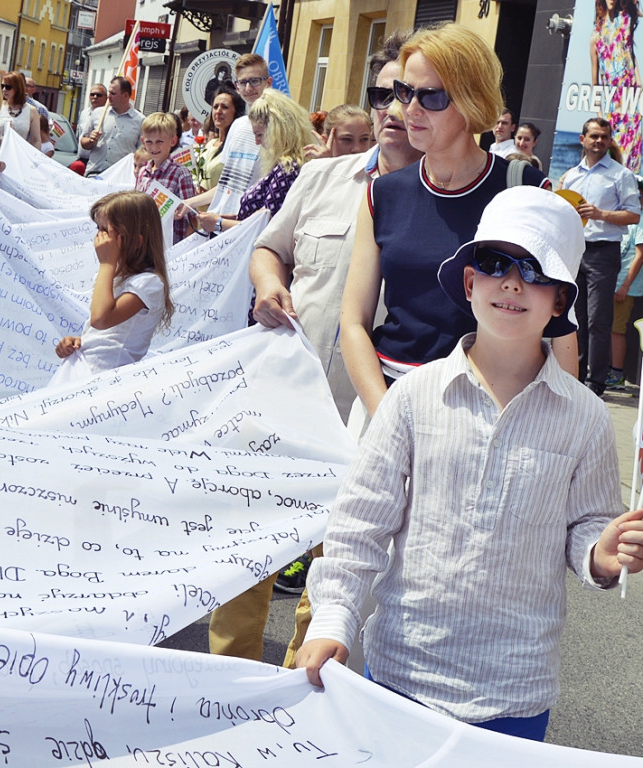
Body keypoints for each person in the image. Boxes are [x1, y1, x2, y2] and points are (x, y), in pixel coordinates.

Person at [297, 185, 643, 742]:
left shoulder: (586, 417)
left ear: (560, 300)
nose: (511, 282)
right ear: (469, 280)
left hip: (514, 691)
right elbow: (360, 523)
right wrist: (334, 618)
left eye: (535, 271)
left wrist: (600, 554)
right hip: (399, 674)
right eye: (494, 261)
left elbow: (584, 526)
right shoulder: (413, 396)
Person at [210, 33, 422, 665]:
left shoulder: (447, 201)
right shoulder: (322, 177)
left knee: (337, 578)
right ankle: (225, 687)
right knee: (249, 554)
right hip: (288, 402)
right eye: (383, 93)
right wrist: (269, 284)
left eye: (411, 95)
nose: (393, 109)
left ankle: (296, 709)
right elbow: (269, 248)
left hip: (370, 419)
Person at [339, 24, 562, 426]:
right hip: (390, 396)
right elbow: (353, 321)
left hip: (494, 409)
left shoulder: (525, 188)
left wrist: (563, 425)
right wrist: (385, 414)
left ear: (472, 102)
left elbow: (561, 325)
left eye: (432, 96)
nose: (410, 108)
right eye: (406, 92)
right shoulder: (383, 194)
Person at [52, 190, 173, 382]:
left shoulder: (149, 284)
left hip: (103, 378)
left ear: (136, 241)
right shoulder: (114, 276)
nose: (99, 238)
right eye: (97, 229)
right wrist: (79, 342)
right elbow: (103, 332)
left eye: (105, 231)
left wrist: (106, 264)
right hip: (83, 368)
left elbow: (101, 319)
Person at [559, 117, 641, 394]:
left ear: (609, 141)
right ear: (583, 139)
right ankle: (576, 377)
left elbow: (633, 214)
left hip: (603, 251)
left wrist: (600, 214)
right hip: (575, 249)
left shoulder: (621, 175)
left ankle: (596, 382)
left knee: (598, 320)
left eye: (604, 137)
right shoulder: (571, 176)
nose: (599, 141)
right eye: (594, 136)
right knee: (576, 318)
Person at [193, 89, 314, 236]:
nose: (257, 142)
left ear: (277, 131)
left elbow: (267, 225)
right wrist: (235, 219)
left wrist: (219, 224)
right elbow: (262, 217)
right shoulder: (286, 165)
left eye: (259, 135)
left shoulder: (288, 169)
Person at [178, 53, 271, 216]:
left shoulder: (278, 128)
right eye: (243, 82)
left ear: (268, 83)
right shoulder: (237, 125)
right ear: (237, 86)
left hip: (247, 226)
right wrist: (190, 202)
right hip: (219, 224)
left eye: (255, 81)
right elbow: (227, 186)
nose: (248, 88)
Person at [592, 0, 642, 171]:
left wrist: (640, 85)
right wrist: (599, 113)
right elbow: (595, 82)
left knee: (633, 150)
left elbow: (631, 54)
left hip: (631, 99)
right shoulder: (596, 36)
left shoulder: (625, 20)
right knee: (616, 152)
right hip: (612, 104)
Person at [135, 111, 195, 244]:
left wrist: (185, 250)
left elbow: (191, 216)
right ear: (143, 142)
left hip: (171, 244)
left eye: (159, 141)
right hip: (145, 243)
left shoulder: (181, 173)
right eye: (149, 142)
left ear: (173, 141)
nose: (154, 147)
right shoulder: (142, 172)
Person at [80, 76, 144, 177]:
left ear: (126, 96)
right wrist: (90, 140)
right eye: (109, 92)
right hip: (94, 174)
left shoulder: (140, 120)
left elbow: (142, 153)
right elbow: (83, 142)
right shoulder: (98, 113)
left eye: (113, 93)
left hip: (119, 178)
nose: (108, 96)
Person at [609, 220, 643, 389]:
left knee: (617, 329)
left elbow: (640, 254)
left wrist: (625, 285)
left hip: (626, 287)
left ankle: (617, 374)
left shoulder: (640, 220)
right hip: (612, 282)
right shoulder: (627, 220)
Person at [195, 86, 246, 191]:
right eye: (215, 107)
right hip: (196, 206)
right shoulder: (210, 144)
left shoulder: (237, 148)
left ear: (236, 112)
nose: (218, 111)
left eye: (225, 107)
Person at [302, 103, 373, 160]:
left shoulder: (377, 173)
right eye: (347, 139)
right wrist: (325, 164)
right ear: (325, 140)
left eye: (364, 139)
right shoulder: (312, 171)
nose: (357, 149)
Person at [0, 70, 40, 151]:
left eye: (8, 87)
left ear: (18, 88)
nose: (4, 89)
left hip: (18, 156)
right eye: (2, 86)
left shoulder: (32, 111)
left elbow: (35, 140)